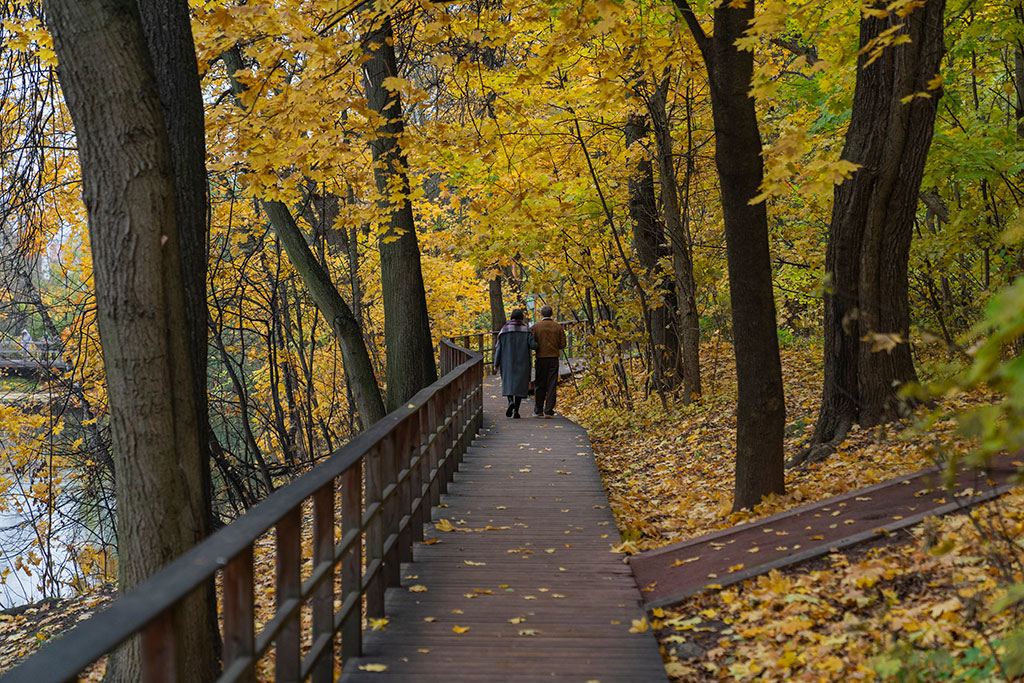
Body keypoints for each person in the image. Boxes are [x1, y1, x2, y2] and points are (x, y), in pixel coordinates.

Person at [492, 308, 537, 418]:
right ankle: (516, 411)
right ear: (521, 318)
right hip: (523, 362)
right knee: (520, 386)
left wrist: (496, 364)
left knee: (508, 383)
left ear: (511, 318)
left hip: (507, 363)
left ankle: (510, 401)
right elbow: (533, 346)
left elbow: (499, 349)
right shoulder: (526, 331)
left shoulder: (504, 331)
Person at [531, 305, 566, 418]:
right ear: (551, 314)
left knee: (539, 384)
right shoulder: (558, 327)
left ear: (541, 314)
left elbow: (532, 344)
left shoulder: (535, 327)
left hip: (540, 358)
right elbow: (563, 344)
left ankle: (538, 410)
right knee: (551, 384)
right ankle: (549, 410)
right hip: (553, 358)